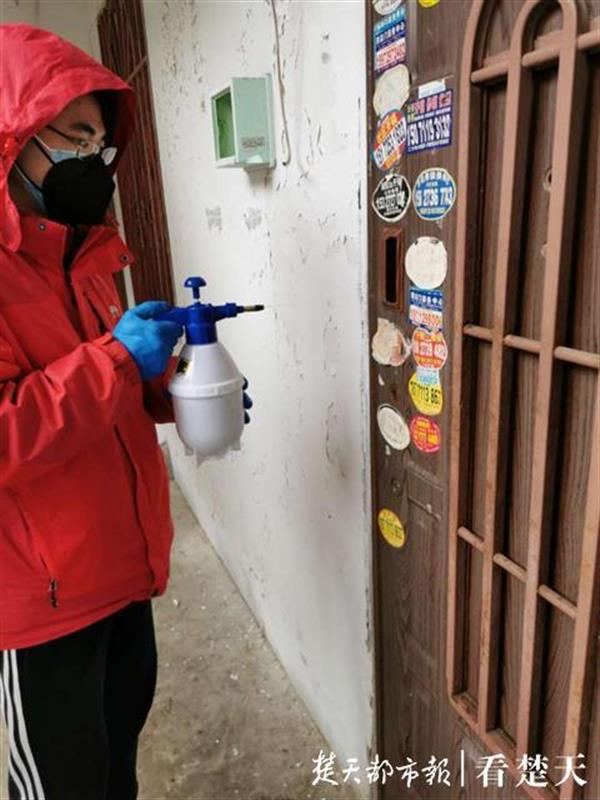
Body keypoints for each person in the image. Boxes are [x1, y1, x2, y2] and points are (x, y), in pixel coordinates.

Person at [0, 23, 250, 800]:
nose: (92, 159)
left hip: (123, 566)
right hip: (43, 598)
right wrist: (116, 360)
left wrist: (172, 387)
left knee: (116, 769)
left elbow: (95, 392)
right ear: (13, 137)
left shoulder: (85, 254)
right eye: (74, 137)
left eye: (100, 144)